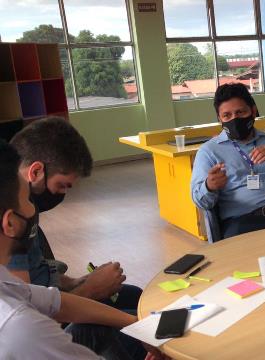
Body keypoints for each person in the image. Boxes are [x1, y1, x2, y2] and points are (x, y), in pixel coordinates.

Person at [0, 140, 165, 359]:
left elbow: (55, 302)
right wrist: (93, 288)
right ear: (10, 223)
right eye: (26, 201)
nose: (33, 209)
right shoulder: (23, 329)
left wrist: (137, 324)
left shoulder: (5, 284)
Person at [8, 117, 141, 312]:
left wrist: (78, 282)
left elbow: (37, 271)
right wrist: (90, 290)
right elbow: (26, 315)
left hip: (51, 299)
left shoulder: (26, 204)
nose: (63, 194)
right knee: (135, 326)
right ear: (35, 171)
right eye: (61, 185)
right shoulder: (12, 223)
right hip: (40, 323)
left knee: (134, 297)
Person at [191, 83, 265, 238]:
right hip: (242, 223)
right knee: (248, 261)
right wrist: (209, 186)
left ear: (253, 111)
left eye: (240, 112)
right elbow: (201, 202)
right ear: (219, 119)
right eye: (227, 116)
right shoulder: (208, 151)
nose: (235, 119)